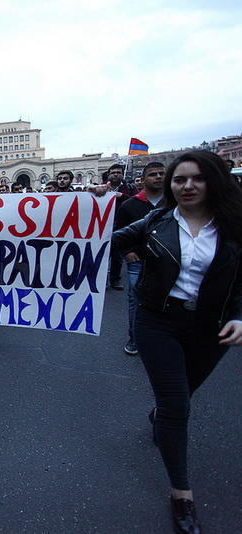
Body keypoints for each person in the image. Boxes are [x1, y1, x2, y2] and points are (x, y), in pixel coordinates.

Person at [112, 150, 242, 534]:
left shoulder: (235, 225)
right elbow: (103, 241)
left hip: (210, 329)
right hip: (158, 322)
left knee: (182, 395)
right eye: (179, 179)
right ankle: (182, 495)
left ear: (214, 182)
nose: (186, 186)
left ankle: (161, 416)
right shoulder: (156, 221)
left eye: (196, 179)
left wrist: (238, 315)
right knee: (177, 406)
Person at [114, 162, 165, 356]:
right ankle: (135, 339)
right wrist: (127, 251)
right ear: (143, 180)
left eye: (162, 174)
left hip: (168, 262)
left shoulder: (176, 202)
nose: (158, 177)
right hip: (137, 261)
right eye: (153, 174)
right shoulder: (130, 204)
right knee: (136, 300)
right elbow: (119, 231)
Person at [105, 163, 137, 290]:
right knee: (102, 255)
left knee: (117, 256)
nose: (116, 174)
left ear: (122, 174)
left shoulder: (129, 188)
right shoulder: (103, 187)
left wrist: (122, 196)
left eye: (118, 172)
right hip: (103, 226)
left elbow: (136, 201)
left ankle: (115, 280)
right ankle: (100, 281)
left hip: (120, 225)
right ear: (109, 175)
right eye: (113, 172)